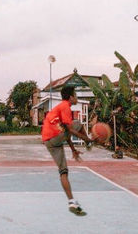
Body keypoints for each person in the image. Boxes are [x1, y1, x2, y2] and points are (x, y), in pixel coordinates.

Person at [41, 85, 93, 216]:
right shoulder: (65, 106)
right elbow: (70, 130)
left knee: (63, 171)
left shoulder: (60, 108)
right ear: (70, 97)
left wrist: (73, 149)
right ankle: (88, 143)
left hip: (49, 141)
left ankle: (72, 202)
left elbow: (65, 132)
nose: (76, 97)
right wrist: (87, 139)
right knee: (79, 124)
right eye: (75, 95)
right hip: (54, 136)